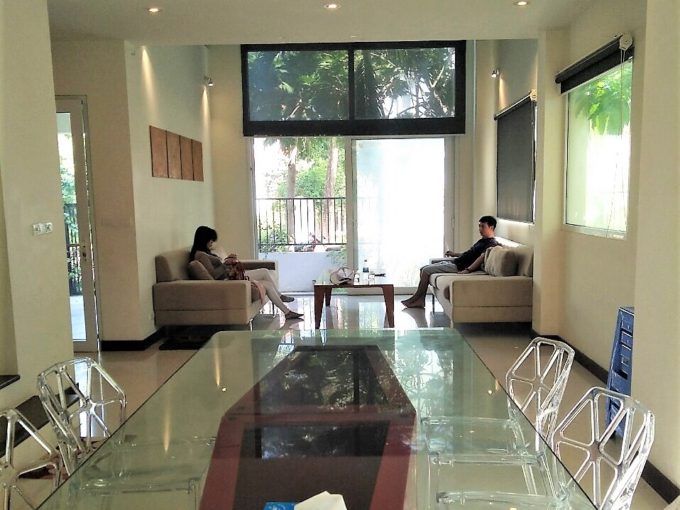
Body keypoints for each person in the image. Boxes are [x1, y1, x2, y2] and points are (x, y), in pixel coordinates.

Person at [190, 226, 303, 320]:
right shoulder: (201, 255)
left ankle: (287, 311)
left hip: (230, 277)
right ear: (203, 239)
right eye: (210, 240)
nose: (212, 243)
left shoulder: (206, 253)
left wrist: (229, 262)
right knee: (264, 273)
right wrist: (226, 264)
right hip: (228, 280)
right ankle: (282, 301)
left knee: (266, 280)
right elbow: (214, 275)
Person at [401, 216, 500, 309]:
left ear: (491, 227)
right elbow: (469, 254)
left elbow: (481, 258)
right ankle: (420, 300)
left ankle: (416, 298)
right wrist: (454, 254)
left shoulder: (491, 243)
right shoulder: (482, 240)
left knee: (426, 271)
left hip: (459, 266)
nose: (480, 229)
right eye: (479, 226)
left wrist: (468, 270)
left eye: (483, 226)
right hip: (456, 262)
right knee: (423, 268)